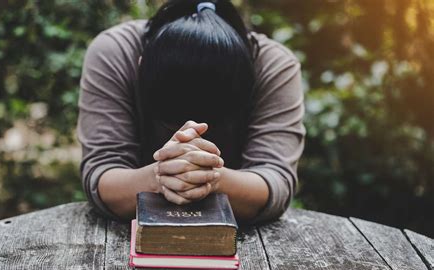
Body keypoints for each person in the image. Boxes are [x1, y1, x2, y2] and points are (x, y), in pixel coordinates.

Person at [77, 0, 305, 224]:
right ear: (140, 66)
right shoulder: (114, 52)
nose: (188, 132)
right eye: (169, 123)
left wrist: (211, 177)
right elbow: (102, 174)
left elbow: (276, 180)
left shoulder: (273, 66)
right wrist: (160, 175)